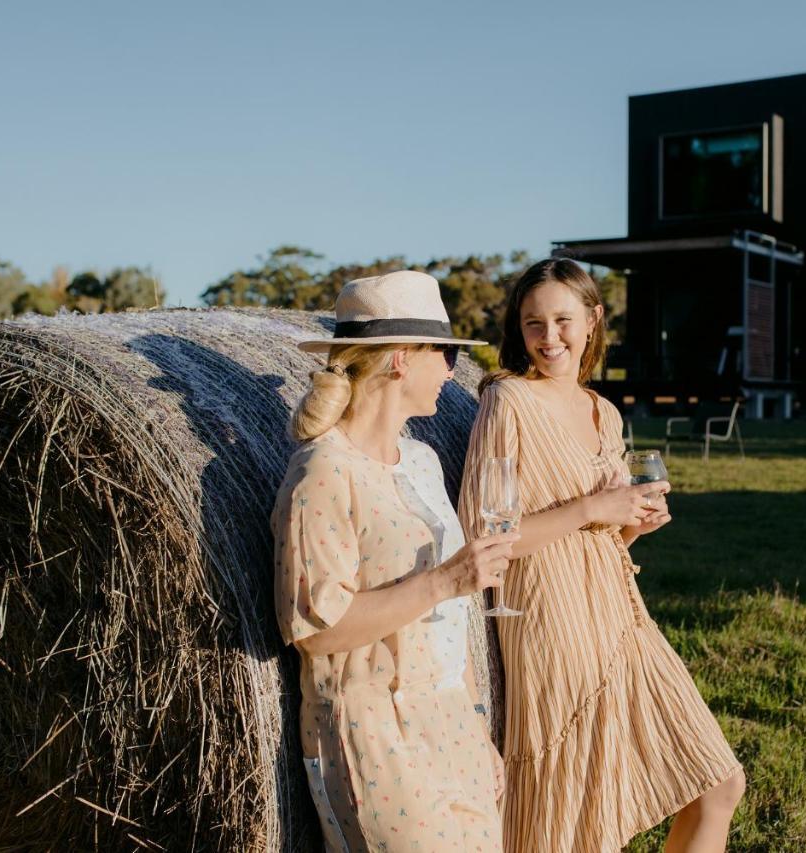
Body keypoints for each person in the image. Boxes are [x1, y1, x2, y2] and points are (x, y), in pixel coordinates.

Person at [459, 258, 745, 852]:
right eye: (533, 323)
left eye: (562, 320)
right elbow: (484, 538)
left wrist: (634, 525)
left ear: (592, 320)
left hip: (620, 613)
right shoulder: (508, 402)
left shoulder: (604, 412)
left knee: (719, 783)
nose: (548, 337)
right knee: (580, 818)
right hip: (550, 618)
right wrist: (594, 509)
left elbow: (605, 533)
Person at [273, 270, 516, 852]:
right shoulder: (322, 473)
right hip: (371, 732)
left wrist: (476, 728)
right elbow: (315, 631)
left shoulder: (422, 460)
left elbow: (449, 626)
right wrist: (448, 579)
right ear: (402, 359)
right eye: (447, 352)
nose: (453, 370)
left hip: (451, 718)